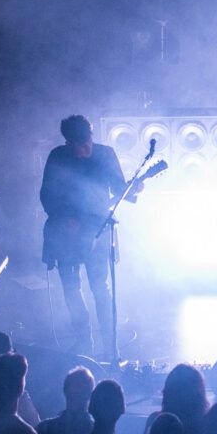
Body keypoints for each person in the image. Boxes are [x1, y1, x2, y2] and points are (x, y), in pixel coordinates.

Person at [40, 114, 134, 353]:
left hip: (98, 231)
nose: (86, 148)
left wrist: (134, 188)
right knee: (71, 287)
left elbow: (120, 188)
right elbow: (46, 194)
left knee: (100, 288)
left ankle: (109, 344)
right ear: (68, 143)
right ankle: (84, 341)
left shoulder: (105, 154)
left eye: (88, 142)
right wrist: (64, 218)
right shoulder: (57, 157)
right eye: (80, 145)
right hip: (65, 234)